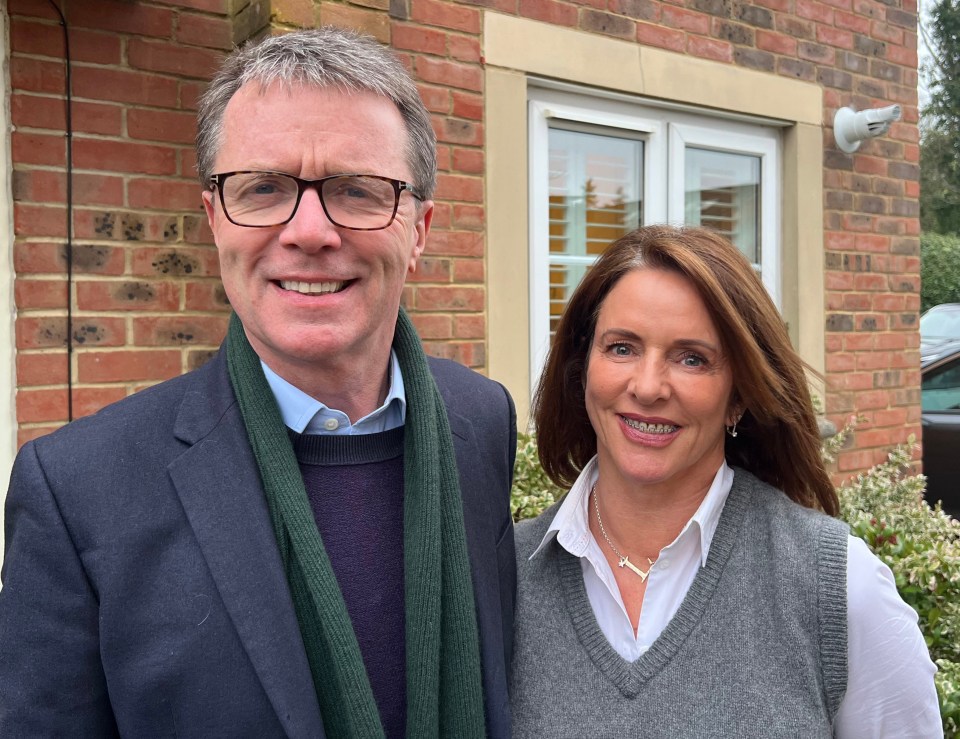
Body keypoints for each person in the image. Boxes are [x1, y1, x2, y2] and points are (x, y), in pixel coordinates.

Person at [0, 28, 517, 738]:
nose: (310, 231)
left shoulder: (479, 420)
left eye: (358, 190)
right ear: (215, 218)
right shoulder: (77, 490)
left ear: (419, 228)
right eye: (264, 188)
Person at [510, 225, 941, 737]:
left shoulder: (841, 588)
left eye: (692, 358)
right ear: (583, 370)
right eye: (622, 348)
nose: (647, 387)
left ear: (738, 396)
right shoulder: (504, 578)